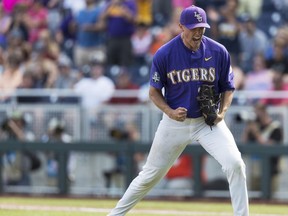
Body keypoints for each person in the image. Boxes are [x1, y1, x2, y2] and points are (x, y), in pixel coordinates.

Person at [108, 5, 249, 216]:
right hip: (175, 122)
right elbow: (154, 92)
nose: (198, 32)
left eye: (202, 27)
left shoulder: (218, 51)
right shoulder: (165, 53)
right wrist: (169, 111)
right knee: (149, 176)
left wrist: (222, 111)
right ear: (181, 26)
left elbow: (228, 88)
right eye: (193, 27)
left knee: (235, 164)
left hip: (207, 123)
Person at [241, 103, 283, 198]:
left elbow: (268, 146)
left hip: (271, 170)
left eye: (258, 113)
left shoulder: (275, 128)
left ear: (264, 113)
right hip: (255, 170)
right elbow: (244, 142)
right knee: (254, 197)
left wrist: (256, 132)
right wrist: (248, 129)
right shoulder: (256, 127)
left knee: (270, 198)